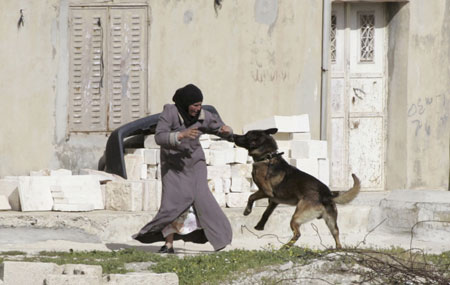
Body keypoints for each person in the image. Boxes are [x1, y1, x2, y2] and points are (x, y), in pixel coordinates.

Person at [133, 84, 233, 253]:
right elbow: (159, 136)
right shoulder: (170, 112)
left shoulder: (204, 115)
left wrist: (226, 130)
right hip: (174, 165)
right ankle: (168, 244)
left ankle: (220, 238)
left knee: (203, 200)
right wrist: (181, 135)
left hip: (195, 164)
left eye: (200, 104)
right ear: (185, 103)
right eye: (194, 105)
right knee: (173, 203)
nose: (198, 108)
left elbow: (220, 128)